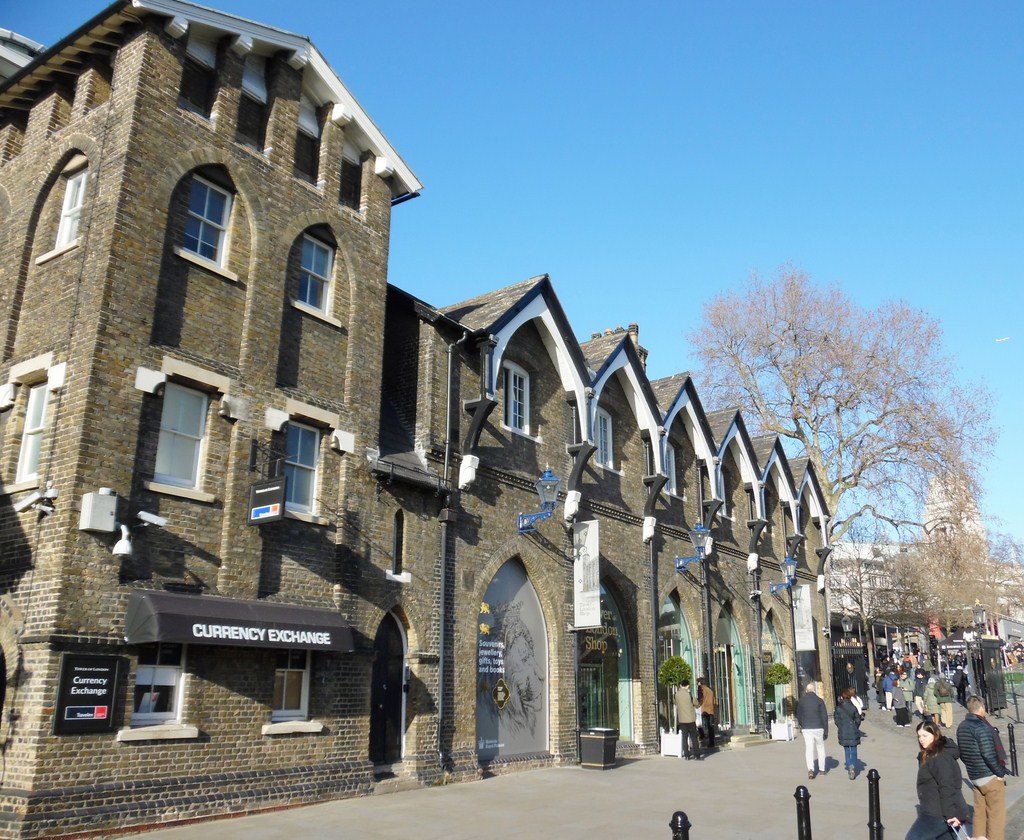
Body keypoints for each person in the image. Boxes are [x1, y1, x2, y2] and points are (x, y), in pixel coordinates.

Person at [905, 720, 972, 840]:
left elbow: (947, 785)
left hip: (939, 812)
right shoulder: (928, 754)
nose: (921, 739)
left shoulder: (938, 757)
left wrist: (950, 814)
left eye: (925, 735)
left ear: (934, 735)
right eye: (919, 736)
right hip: (936, 809)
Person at [957, 695, 1007, 840]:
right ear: (982, 708)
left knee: (979, 813)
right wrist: (1000, 772)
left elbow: (963, 753)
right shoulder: (982, 727)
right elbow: (988, 754)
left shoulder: (962, 726)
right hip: (989, 776)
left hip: (975, 776)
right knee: (996, 815)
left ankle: (978, 837)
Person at [796, 681, 829, 779]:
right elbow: (824, 716)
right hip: (819, 727)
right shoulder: (819, 701)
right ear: (814, 690)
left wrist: (802, 725)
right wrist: (826, 730)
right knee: (820, 748)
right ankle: (822, 770)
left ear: (806, 691)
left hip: (807, 728)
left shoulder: (802, 701)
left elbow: (799, 715)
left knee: (809, 749)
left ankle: (810, 769)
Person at [835, 686, 863, 779]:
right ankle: (853, 765)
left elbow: (836, 720)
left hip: (843, 731)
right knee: (853, 749)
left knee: (846, 750)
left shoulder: (838, 708)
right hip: (853, 730)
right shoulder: (853, 708)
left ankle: (849, 765)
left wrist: (841, 727)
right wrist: (855, 726)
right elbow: (858, 719)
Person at [673, 678, 701, 760]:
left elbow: (675, 703)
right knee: (694, 738)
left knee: (684, 738)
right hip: (691, 719)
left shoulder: (676, 695)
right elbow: (697, 704)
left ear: (680, 685)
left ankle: (686, 755)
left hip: (682, 720)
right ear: (688, 686)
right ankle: (696, 755)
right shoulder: (689, 695)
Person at [696, 677, 716, 750]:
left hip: (704, 709)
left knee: (701, 725)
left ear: (700, 683)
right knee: (710, 726)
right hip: (710, 709)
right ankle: (712, 742)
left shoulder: (701, 689)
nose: (697, 684)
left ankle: (703, 737)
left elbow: (700, 699)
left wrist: (697, 704)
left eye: (697, 682)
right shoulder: (709, 690)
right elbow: (713, 700)